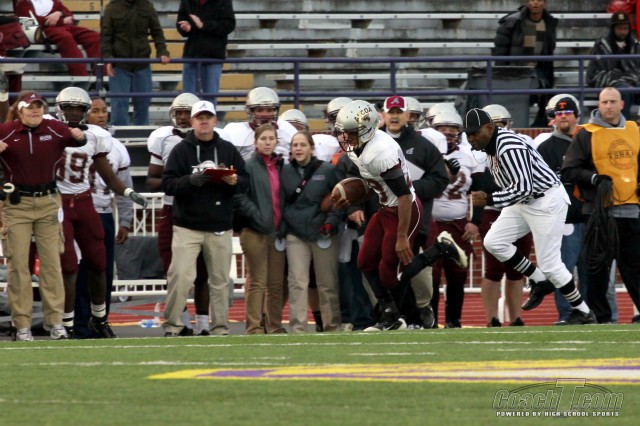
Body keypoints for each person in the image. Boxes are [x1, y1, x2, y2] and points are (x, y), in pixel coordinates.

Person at [334, 100, 467, 331]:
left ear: (366, 130)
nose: (346, 137)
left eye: (351, 132)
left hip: (405, 209)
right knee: (365, 262)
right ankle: (390, 316)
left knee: (390, 275)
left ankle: (440, 249)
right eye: (344, 131)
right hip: (387, 207)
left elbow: (404, 195)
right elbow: (376, 184)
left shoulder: (380, 153)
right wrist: (353, 197)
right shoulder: (359, 147)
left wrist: (402, 236)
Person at [463, 107, 596, 325]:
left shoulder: (508, 147)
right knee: (494, 242)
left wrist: (489, 199)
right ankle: (539, 281)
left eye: (475, 133)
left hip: (545, 200)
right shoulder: (490, 145)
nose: (471, 138)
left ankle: (583, 312)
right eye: (468, 134)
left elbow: (524, 189)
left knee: (550, 264)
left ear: (489, 128)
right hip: (525, 200)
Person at [54, 86, 147, 338]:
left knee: (98, 262)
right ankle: (68, 324)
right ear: (60, 109)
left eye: (79, 109)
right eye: (69, 108)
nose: (74, 113)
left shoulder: (96, 136)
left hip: (85, 202)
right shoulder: (49, 131)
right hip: (59, 204)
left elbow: (108, 175)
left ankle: (99, 319)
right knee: (69, 266)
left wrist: (129, 193)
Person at [0, 91, 87, 341]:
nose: (35, 110)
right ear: (20, 110)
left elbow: (78, 138)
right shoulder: (6, 131)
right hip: (17, 204)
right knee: (18, 266)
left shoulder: (54, 128)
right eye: (30, 107)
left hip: (48, 200)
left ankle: (55, 322)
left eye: (39, 106)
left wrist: (80, 136)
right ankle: (22, 324)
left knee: (51, 264)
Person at [161, 100, 246, 337]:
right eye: (200, 118)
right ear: (192, 121)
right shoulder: (181, 150)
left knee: (220, 281)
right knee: (180, 276)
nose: (204, 121)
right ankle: (172, 325)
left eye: (208, 117)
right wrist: (189, 180)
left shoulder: (227, 149)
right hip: (187, 225)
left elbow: (246, 180)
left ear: (215, 121)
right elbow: (167, 184)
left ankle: (220, 328)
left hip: (219, 224)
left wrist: (235, 181)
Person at [562, 87, 640, 324]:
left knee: (635, 268)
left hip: (632, 211)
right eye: (604, 102)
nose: (608, 106)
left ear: (622, 104)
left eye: (613, 102)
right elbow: (569, 171)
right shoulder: (586, 133)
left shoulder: (634, 130)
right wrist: (594, 179)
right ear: (598, 104)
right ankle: (601, 317)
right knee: (597, 270)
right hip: (599, 213)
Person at [380, 95, 449, 329]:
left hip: (415, 219)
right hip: (383, 218)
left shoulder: (424, 146)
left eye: (399, 112)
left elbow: (440, 180)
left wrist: (408, 189)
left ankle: (423, 307)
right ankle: (390, 315)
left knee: (417, 270)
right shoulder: (371, 143)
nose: (394, 116)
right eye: (391, 112)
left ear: (408, 116)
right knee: (385, 268)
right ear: (383, 115)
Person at [146, 93, 212, 336]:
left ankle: (203, 324)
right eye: (180, 113)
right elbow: (152, 179)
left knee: (203, 271)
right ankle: (182, 322)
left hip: (202, 209)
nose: (183, 117)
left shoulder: (213, 140)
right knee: (174, 270)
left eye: (187, 113)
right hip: (172, 207)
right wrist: (182, 182)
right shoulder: (163, 138)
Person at [73, 97, 135, 338]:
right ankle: (78, 324)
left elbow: (123, 185)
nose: (100, 115)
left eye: (104, 110)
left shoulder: (115, 146)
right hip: (77, 212)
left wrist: (125, 221)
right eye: (95, 111)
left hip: (104, 213)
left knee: (103, 271)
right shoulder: (71, 140)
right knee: (78, 271)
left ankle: (100, 321)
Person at [281, 131, 342, 333]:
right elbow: (280, 202)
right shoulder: (285, 171)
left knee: (327, 283)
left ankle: (332, 326)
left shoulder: (327, 170)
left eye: (302, 145)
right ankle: (298, 328)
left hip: (322, 232)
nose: (298, 148)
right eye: (295, 145)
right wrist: (283, 229)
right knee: (297, 282)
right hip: (295, 233)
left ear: (311, 148)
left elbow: (339, 198)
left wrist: (331, 222)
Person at [478, 104, 533, 327]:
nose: (497, 129)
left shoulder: (520, 142)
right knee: (493, 269)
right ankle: (492, 318)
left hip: (520, 211)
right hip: (493, 211)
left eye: (500, 124)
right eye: (492, 125)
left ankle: (516, 317)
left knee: (517, 268)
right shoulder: (478, 148)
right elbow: (480, 184)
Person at [536, 96, 589, 323]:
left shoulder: (588, 140)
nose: (563, 116)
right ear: (553, 118)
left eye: (567, 112)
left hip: (589, 216)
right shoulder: (546, 147)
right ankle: (567, 314)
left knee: (591, 270)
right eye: (559, 113)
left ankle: (589, 313)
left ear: (577, 116)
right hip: (563, 219)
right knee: (563, 269)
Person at [430, 110, 484, 328]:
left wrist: (475, 221)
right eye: (442, 130)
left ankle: (454, 320)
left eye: (452, 130)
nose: (447, 134)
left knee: (457, 275)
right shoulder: (425, 154)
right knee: (430, 276)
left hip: (458, 224)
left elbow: (479, 191)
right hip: (431, 224)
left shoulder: (469, 156)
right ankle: (430, 320)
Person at [233, 124, 287, 334]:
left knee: (276, 283)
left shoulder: (281, 165)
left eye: (271, 139)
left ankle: (274, 326)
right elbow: (239, 196)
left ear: (276, 141)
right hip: (254, 231)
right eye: (263, 139)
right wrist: (257, 216)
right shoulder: (247, 166)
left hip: (277, 232)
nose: (267, 142)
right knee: (257, 280)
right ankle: (254, 326)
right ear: (255, 142)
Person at [101, 0, 171, 125]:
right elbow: (105, 36)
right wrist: (108, 59)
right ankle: (119, 135)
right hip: (119, 65)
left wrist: (162, 51)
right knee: (119, 104)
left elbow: (157, 32)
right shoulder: (111, 8)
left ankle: (142, 134)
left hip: (142, 64)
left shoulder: (147, 7)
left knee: (143, 103)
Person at [494, 0, 558, 127]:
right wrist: (502, 74)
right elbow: (500, 51)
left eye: (539, 0)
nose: (535, 3)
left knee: (547, 98)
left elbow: (549, 50)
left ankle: (540, 125)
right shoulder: (513, 22)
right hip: (514, 72)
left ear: (544, 3)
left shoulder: (549, 22)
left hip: (538, 72)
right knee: (514, 104)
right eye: (532, 0)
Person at [13, 0, 101, 77]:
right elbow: (35, 21)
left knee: (94, 37)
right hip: (45, 30)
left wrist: (60, 13)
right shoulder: (22, 2)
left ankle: (101, 77)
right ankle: (81, 77)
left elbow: (69, 15)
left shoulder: (53, 1)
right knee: (66, 38)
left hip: (66, 27)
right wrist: (62, 20)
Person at [177, 0, 235, 106]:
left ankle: (208, 116)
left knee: (210, 98)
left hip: (213, 55)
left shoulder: (224, 1)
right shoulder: (186, 1)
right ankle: (189, 117)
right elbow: (181, 21)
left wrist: (203, 25)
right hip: (192, 54)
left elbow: (228, 25)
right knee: (188, 97)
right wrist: (186, 28)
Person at [587, 11, 640, 118]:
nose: (622, 32)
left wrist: (629, 78)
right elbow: (593, 73)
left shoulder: (634, 45)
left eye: (625, 29)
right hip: (609, 84)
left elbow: (636, 70)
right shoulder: (602, 45)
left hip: (632, 82)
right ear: (613, 29)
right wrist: (615, 76)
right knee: (623, 91)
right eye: (619, 29)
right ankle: (623, 125)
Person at [224, 87, 297, 160]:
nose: (265, 114)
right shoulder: (236, 131)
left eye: (269, 110)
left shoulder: (286, 129)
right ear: (251, 111)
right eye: (260, 110)